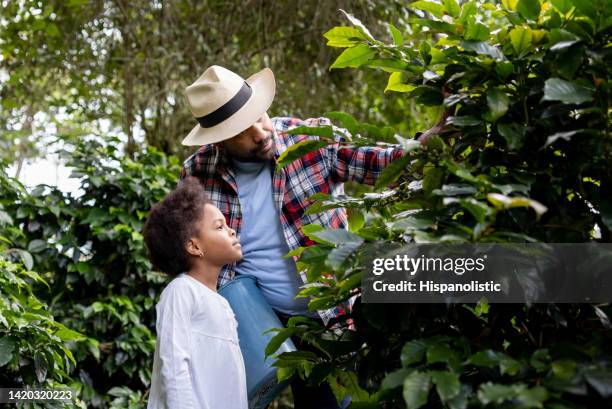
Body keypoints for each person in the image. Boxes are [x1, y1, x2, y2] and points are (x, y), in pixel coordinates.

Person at [180, 65, 427, 408]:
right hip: (272, 324)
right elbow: (196, 253)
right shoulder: (197, 172)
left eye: (259, 116)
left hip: (340, 310)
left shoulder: (309, 138)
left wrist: (426, 146)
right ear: (219, 139)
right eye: (242, 130)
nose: (260, 132)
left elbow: (380, 161)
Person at [143, 176, 247, 409]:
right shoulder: (181, 291)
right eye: (219, 227)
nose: (231, 231)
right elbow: (173, 363)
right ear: (194, 246)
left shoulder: (222, 304)